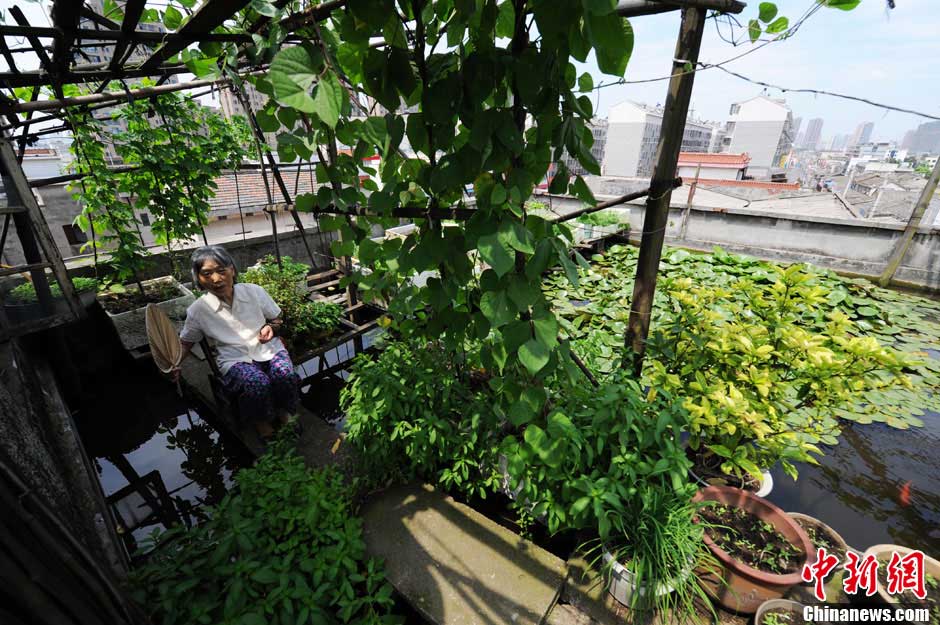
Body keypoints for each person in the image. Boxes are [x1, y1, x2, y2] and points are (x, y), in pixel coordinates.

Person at [173, 245, 300, 439]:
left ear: (232, 269)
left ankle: (284, 411)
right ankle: (261, 422)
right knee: (256, 384)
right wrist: (174, 364)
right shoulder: (198, 310)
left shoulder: (254, 292)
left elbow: (277, 319)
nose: (216, 279)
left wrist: (271, 328)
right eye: (206, 274)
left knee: (285, 375)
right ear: (198, 278)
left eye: (221, 270)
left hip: (268, 348)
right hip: (235, 359)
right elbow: (185, 343)